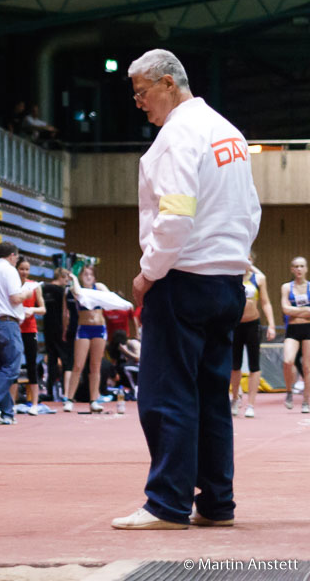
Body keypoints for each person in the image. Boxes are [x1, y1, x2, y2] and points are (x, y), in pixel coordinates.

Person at [112, 49, 260, 530]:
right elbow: (250, 211)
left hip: (183, 281)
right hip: (227, 282)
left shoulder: (177, 135)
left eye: (142, 91)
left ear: (169, 83)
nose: (138, 102)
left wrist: (147, 273)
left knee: (164, 395)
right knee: (212, 396)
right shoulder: (228, 132)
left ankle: (166, 504)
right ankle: (217, 503)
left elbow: (175, 215)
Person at [0, 241, 35, 425]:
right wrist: (27, 293)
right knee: (12, 367)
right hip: (7, 324)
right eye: (16, 258)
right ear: (12, 255)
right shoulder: (9, 270)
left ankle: (7, 412)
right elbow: (15, 297)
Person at [230, 255, 275, 418]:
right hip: (235, 325)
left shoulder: (259, 279)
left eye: (249, 259)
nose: (246, 261)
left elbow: (265, 302)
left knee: (254, 365)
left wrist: (271, 324)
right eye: (243, 258)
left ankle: (251, 404)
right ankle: (235, 398)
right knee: (235, 366)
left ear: (253, 261)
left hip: (253, 325)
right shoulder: (232, 278)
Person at [63, 265, 111, 413]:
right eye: (85, 274)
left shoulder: (100, 287)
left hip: (99, 328)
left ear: (95, 278)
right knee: (78, 365)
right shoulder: (76, 289)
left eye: (90, 274)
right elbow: (76, 293)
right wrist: (74, 279)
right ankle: (69, 399)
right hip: (83, 329)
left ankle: (94, 400)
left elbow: (109, 298)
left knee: (95, 366)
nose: (88, 277)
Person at [11, 256, 46, 414]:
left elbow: (43, 308)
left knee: (32, 365)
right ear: (16, 269)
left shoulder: (34, 286)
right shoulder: (12, 285)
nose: (24, 272)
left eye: (27, 269)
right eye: (21, 269)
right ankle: (11, 403)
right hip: (15, 328)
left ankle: (34, 404)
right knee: (14, 366)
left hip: (30, 329)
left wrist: (32, 310)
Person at [281, 256, 310, 413]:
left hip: (308, 330)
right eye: (296, 266)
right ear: (292, 269)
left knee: (307, 367)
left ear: (306, 269)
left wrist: (294, 311)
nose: (299, 269)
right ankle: (289, 391)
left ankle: (306, 400)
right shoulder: (286, 287)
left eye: (302, 266)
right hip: (292, 330)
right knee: (288, 361)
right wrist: (306, 311)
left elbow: (290, 309)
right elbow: (285, 309)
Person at [42, 268, 73, 401]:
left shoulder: (44, 288)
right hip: (60, 328)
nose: (67, 280)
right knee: (66, 360)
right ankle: (67, 392)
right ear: (61, 276)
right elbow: (65, 312)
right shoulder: (62, 291)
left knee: (52, 360)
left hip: (47, 328)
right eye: (66, 277)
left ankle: (50, 390)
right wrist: (66, 329)